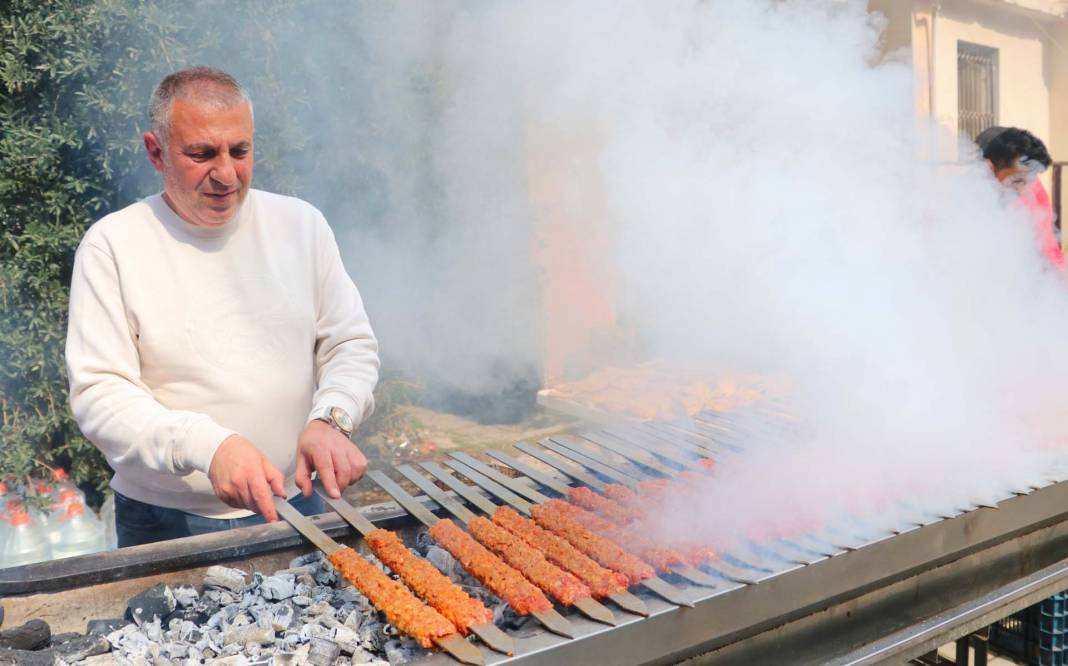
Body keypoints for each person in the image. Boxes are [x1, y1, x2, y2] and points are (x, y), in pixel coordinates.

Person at [65, 66, 380, 547]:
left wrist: (332, 417)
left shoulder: (301, 225)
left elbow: (348, 343)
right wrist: (209, 447)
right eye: (202, 154)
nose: (226, 173)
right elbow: (99, 394)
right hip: (165, 521)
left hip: (299, 501)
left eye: (240, 150)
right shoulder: (113, 245)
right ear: (156, 151)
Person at [975, 126, 1062, 267]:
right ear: (987, 169)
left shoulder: (1032, 188)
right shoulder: (958, 197)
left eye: (1031, 179)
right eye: (1017, 181)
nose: (1024, 191)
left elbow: (1049, 250)